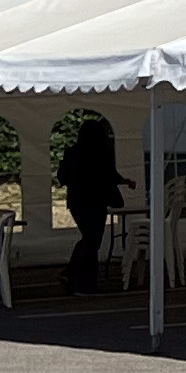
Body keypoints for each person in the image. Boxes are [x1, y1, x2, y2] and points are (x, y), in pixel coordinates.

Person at [59, 114, 129, 295]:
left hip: (77, 202)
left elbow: (62, 177)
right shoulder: (102, 152)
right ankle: (83, 282)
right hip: (96, 201)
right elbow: (109, 175)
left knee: (88, 239)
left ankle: (73, 274)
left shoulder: (72, 152)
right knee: (92, 241)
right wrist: (124, 181)